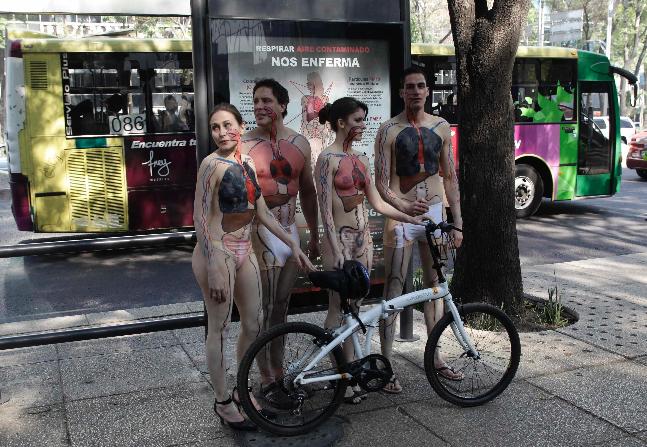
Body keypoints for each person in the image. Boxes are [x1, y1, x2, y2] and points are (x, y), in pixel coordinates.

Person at [192, 103, 315, 431]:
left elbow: (261, 213)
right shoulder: (210, 165)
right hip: (217, 253)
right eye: (215, 127)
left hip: (245, 251)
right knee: (218, 326)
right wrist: (215, 264)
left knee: (254, 322)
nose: (221, 132)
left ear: (241, 125)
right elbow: (201, 219)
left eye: (227, 125)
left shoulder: (245, 162)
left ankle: (241, 386)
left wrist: (292, 244)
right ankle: (222, 401)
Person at [316, 97, 423, 403]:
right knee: (337, 308)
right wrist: (335, 246)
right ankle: (342, 377)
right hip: (338, 240)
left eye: (364, 120)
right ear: (341, 123)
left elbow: (377, 202)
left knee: (355, 310)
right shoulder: (327, 159)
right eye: (358, 120)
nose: (363, 126)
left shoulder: (360, 159)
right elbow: (325, 209)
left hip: (363, 240)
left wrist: (410, 217)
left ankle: (350, 373)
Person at [374, 66, 464, 393]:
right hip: (401, 219)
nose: (415, 91)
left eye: (421, 86)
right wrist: (403, 205)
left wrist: (458, 223)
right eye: (409, 86)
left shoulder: (440, 127)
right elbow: (382, 184)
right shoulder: (387, 131)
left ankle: (436, 357)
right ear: (401, 92)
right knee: (394, 290)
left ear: (428, 91)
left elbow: (451, 176)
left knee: (436, 286)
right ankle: (385, 364)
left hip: (436, 215)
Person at [241, 79, 319, 406]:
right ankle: (265, 377)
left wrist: (314, 234)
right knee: (263, 310)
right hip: (261, 236)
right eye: (256, 100)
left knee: (282, 307)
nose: (260, 106)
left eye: (267, 100)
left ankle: (278, 369)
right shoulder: (243, 145)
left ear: (283, 105)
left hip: (291, 233)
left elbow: (310, 192)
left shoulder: (300, 144)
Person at [298, 72, 333, 170]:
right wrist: (304, 134)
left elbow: (327, 118)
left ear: (315, 83)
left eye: (309, 83)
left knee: (321, 161)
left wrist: (328, 133)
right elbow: (304, 118)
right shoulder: (305, 98)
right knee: (311, 162)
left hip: (322, 133)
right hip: (310, 133)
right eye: (307, 83)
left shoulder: (325, 98)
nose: (308, 86)